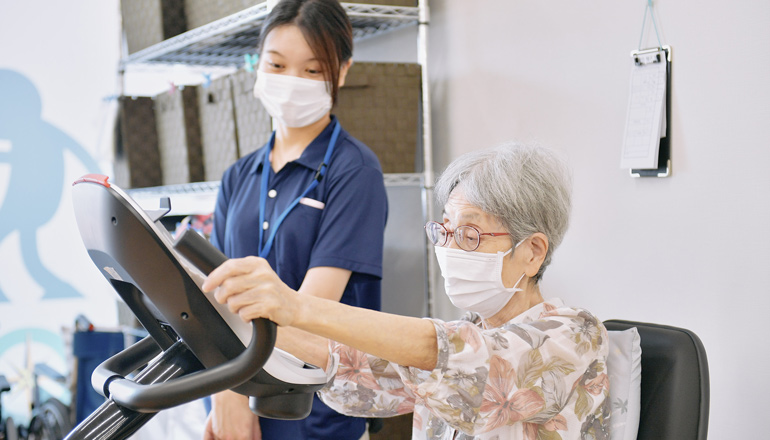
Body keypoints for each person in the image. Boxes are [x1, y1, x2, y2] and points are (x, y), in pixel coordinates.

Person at [203, 144, 611, 439]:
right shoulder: (465, 335)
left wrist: (294, 306)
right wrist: (239, 318)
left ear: (532, 253)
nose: (449, 248)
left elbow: (467, 365)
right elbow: (360, 371)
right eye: (445, 230)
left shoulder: (575, 335)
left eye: (469, 234)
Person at [204, 0, 388, 439]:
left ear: (341, 72)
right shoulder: (238, 176)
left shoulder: (354, 172)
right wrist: (224, 396)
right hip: (238, 401)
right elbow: (214, 300)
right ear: (258, 65)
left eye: (311, 70)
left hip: (318, 415)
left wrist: (230, 387)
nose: (291, 83)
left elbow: (309, 312)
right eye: (277, 65)